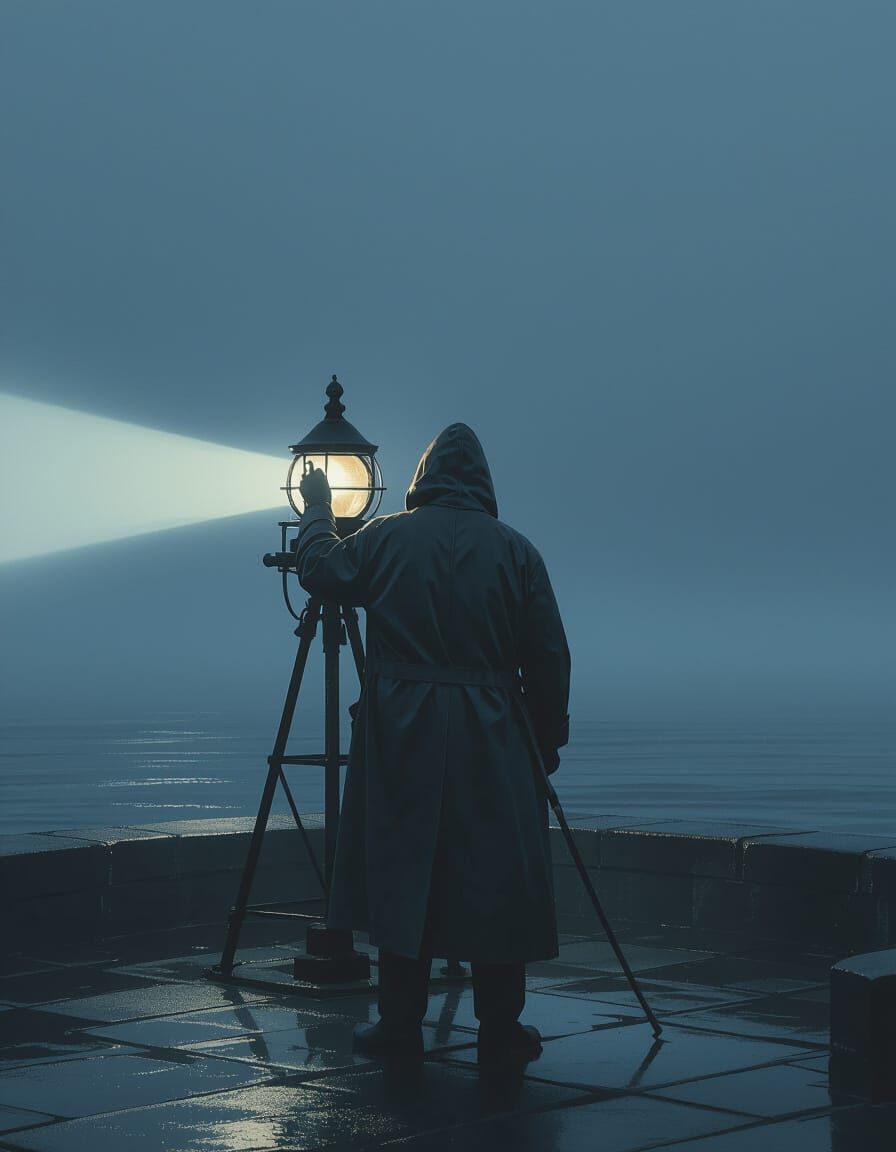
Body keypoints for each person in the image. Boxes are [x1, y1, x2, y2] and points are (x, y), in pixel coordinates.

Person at [295, 422, 570, 1062]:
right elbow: (551, 656)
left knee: (402, 869)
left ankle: (399, 1026)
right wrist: (545, 740)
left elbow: (319, 570)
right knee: (494, 874)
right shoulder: (517, 552)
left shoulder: (388, 536)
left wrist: (315, 508)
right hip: (495, 731)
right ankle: (500, 1030)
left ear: (421, 477)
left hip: (402, 728)